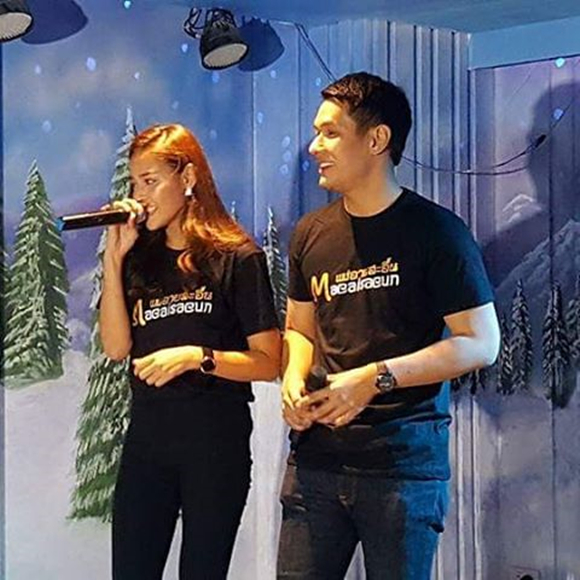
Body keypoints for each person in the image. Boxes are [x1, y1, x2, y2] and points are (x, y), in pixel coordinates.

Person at [278, 72, 501, 579]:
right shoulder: (310, 234)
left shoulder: (437, 232)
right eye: (316, 133)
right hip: (315, 465)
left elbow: (481, 342)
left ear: (377, 139)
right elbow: (299, 329)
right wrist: (292, 378)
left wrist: (374, 378)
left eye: (330, 133)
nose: (315, 147)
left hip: (401, 470)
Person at [100, 123, 281, 580]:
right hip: (148, 444)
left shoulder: (237, 257)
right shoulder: (140, 259)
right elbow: (116, 347)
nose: (140, 195)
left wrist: (197, 356)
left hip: (214, 445)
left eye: (150, 181)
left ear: (187, 177)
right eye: (134, 183)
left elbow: (269, 361)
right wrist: (114, 259)